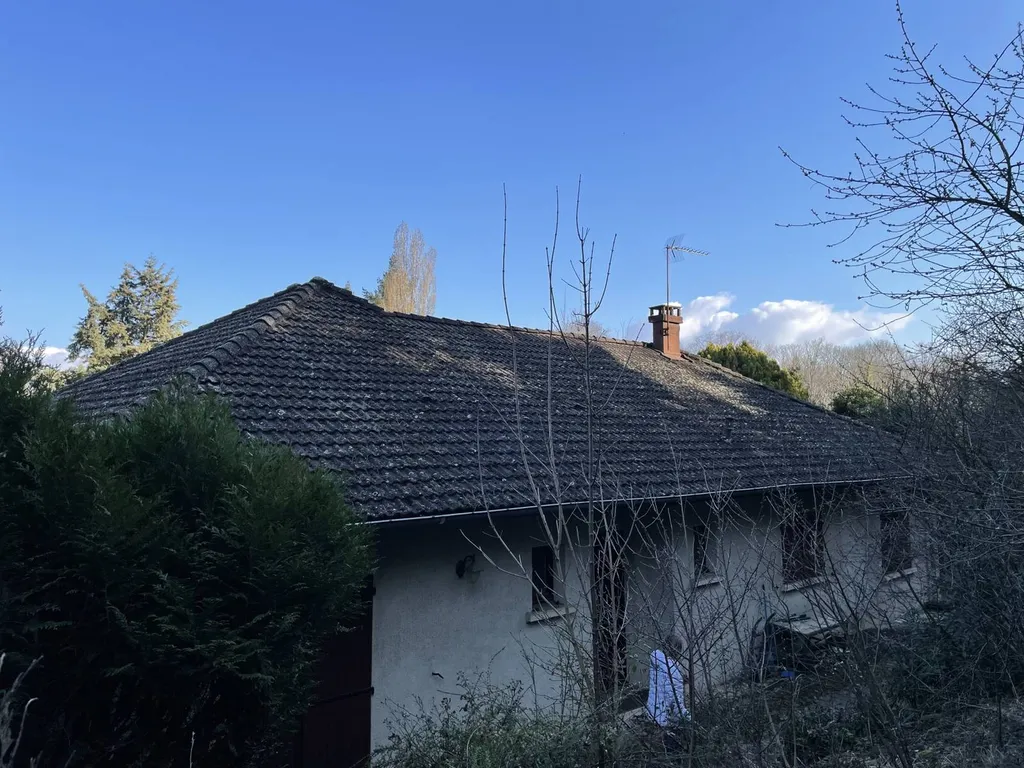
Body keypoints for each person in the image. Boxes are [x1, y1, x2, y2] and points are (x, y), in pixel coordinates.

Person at [646, 632, 690, 753]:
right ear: (677, 650)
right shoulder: (673, 672)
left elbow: (663, 686)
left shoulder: (657, 662)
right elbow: (676, 704)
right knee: (673, 751)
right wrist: (688, 718)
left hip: (653, 712)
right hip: (666, 720)